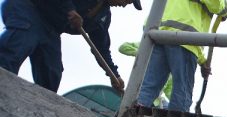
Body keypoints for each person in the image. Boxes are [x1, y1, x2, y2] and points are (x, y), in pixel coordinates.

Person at [0, 0, 140, 93]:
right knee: (20, 42)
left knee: (52, 74)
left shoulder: (103, 17)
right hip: (29, 7)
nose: (125, 4)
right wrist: (70, 10)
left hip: (51, 30)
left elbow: (101, 49)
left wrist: (113, 74)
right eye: (127, 0)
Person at [136, 0, 227, 112]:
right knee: (182, 91)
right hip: (184, 36)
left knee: (149, 85)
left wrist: (202, 60)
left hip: (158, 31)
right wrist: (225, 9)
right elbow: (217, 5)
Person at [119, 40, 171, 107]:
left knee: (170, 109)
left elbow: (169, 91)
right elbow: (123, 47)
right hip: (138, 93)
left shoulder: (170, 68)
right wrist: (144, 54)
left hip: (156, 101)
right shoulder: (146, 46)